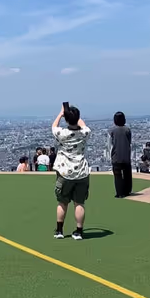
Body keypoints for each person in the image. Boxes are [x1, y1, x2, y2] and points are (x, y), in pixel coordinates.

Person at [52, 103, 91, 240]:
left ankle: (59, 230)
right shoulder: (85, 133)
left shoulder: (62, 134)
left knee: (62, 202)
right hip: (81, 172)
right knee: (79, 203)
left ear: (67, 119)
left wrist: (61, 114)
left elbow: (54, 126)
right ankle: (79, 231)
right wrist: (74, 116)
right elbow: (83, 125)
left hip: (65, 173)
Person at [109, 111, 132, 198]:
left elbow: (110, 144)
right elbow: (129, 142)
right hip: (126, 155)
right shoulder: (127, 130)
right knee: (127, 174)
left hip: (116, 156)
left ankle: (119, 193)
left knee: (117, 175)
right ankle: (127, 191)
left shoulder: (112, 131)